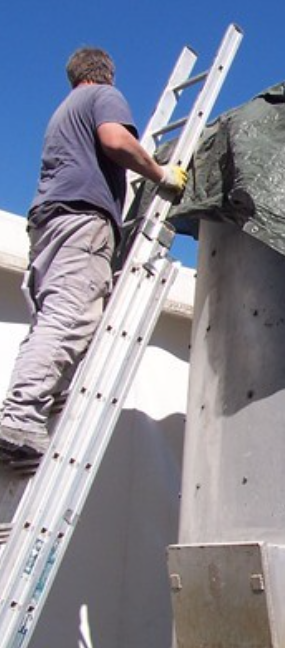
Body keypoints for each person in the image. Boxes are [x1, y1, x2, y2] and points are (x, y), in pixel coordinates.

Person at [0, 46, 188, 467]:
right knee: (69, 317)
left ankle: (39, 411)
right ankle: (19, 419)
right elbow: (116, 140)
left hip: (49, 222)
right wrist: (160, 173)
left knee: (54, 318)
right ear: (106, 73)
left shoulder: (64, 111)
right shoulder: (103, 95)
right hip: (81, 218)